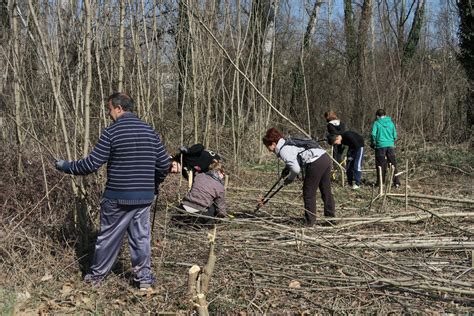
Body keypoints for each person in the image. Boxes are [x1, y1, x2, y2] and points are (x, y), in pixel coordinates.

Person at [54, 92, 170, 290]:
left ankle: (95, 279)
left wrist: (66, 166)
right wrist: (153, 184)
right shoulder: (151, 132)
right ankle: (143, 280)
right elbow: (164, 164)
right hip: (143, 197)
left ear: (119, 108)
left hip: (117, 197)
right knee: (141, 238)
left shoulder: (112, 132)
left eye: (109, 109)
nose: (109, 114)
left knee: (108, 238)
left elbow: (90, 164)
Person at [262, 128, 335, 226]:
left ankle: (310, 222)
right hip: (325, 158)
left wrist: (289, 179)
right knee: (326, 190)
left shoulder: (284, 150)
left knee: (308, 193)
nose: (269, 150)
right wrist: (287, 169)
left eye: (268, 147)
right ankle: (331, 219)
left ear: (274, 143)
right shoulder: (288, 142)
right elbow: (296, 157)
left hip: (315, 162)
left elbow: (296, 169)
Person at [370, 109, 401, 188]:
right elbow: (395, 135)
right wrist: (391, 141)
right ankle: (396, 182)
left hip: (380, 146)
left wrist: (373, 143)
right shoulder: (391, 123)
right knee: (393, 164)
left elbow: (373, 134)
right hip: (390, 146)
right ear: (385, 114)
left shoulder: (376, 123)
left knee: (380, 165)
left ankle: (380, 183)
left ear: (377, 116)